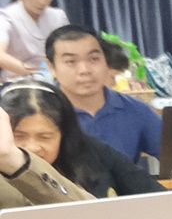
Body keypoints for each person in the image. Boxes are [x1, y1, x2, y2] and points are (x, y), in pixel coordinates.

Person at [3, 81, 172, 210]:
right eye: (18, 136)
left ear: (64, 134)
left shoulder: (90, 149)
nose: (32, 148)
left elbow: (152, 193)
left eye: (45, 137)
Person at [46, 25, 160, 166]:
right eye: (71, 62)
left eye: (93, 59)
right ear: (52, 67)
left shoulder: (136, 110)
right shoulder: (41, 113)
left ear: (106, 62)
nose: (84, 70)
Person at [0, 0, 68, 78]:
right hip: (17, 81)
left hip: (55, 79)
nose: (43, 2)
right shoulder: (6, 16)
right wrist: (36, 74)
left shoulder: (58, 16)